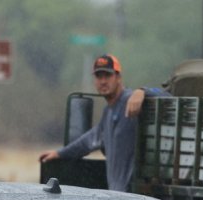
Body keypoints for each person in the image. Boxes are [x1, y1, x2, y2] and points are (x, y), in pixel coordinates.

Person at [38, 53, 169, 192]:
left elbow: (167, 97)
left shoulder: (131, 100)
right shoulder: (108, 112)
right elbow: (87, 141)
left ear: (118, 77)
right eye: (99, 76)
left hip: (135, 197)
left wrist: (143, 92)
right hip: (117, 196)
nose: (103, 81)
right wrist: (59, 154)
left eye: (108, 75)